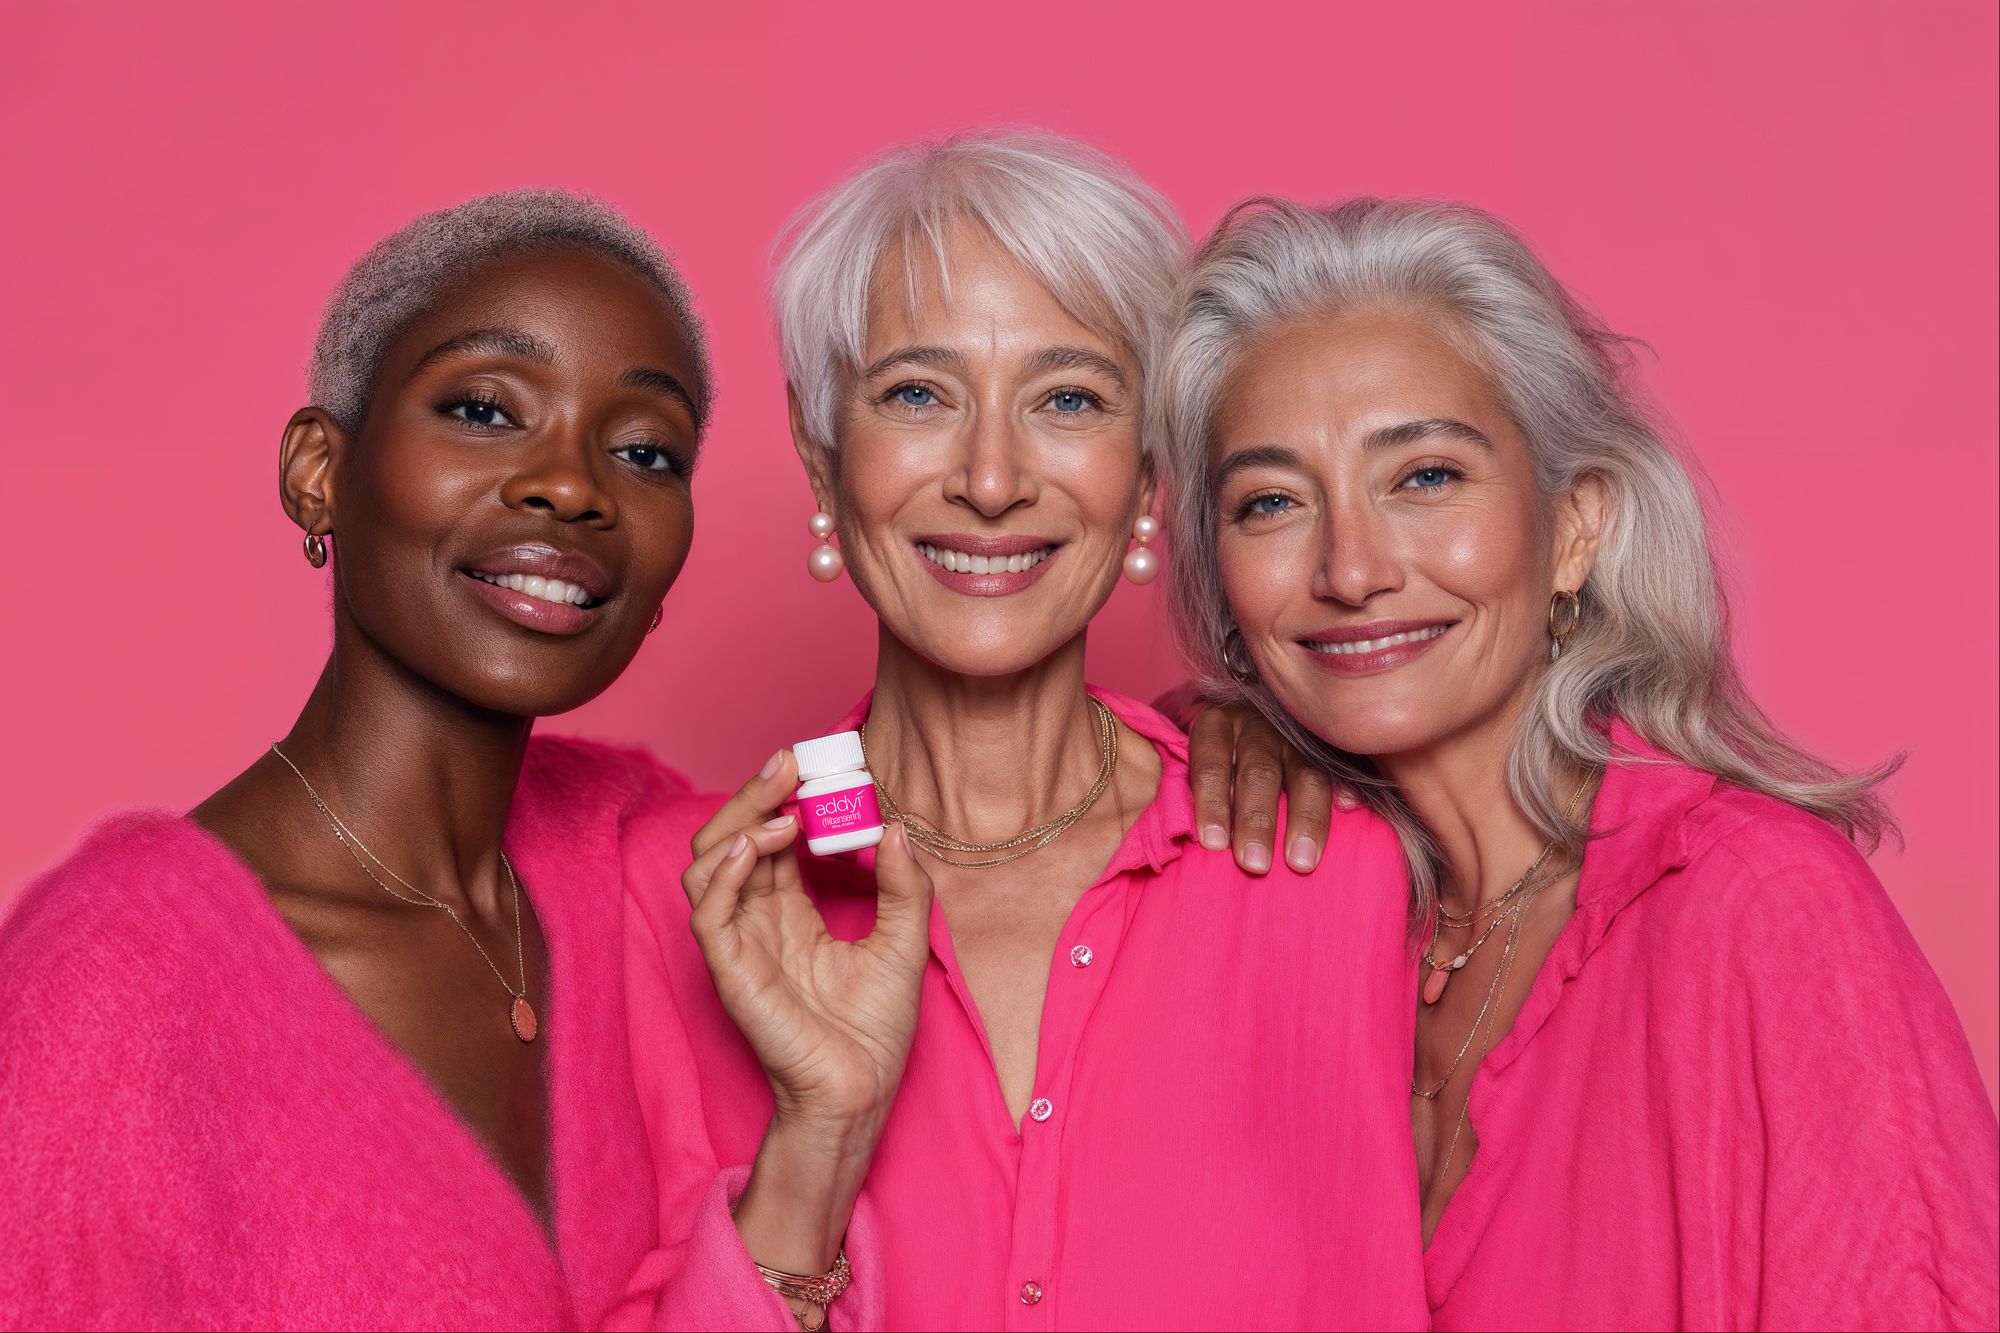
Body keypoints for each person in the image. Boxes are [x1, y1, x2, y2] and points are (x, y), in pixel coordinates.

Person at [0, 190, 921, 1331]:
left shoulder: (643, 866)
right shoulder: (108, 990)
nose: (574, 487)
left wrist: (1210, 711)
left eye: (643, 449)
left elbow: (1000, 845)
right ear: (318, 472)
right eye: (485, 409)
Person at [624, 132, 1428, 1331]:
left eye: (1067, 398)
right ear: (819, 450)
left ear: (1150, 472)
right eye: (916, 394)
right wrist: (821, 1138)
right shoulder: (689, 896)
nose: (991, 479)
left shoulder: (1327, 870)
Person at [1157, 195, 2000, 1329]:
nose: (1348, 569)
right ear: (1220, 583)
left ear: (1573, 526)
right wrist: (1200, 721)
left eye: (1424, 477)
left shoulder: (1757, 908)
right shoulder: (1290, 915)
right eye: (1269, 502)